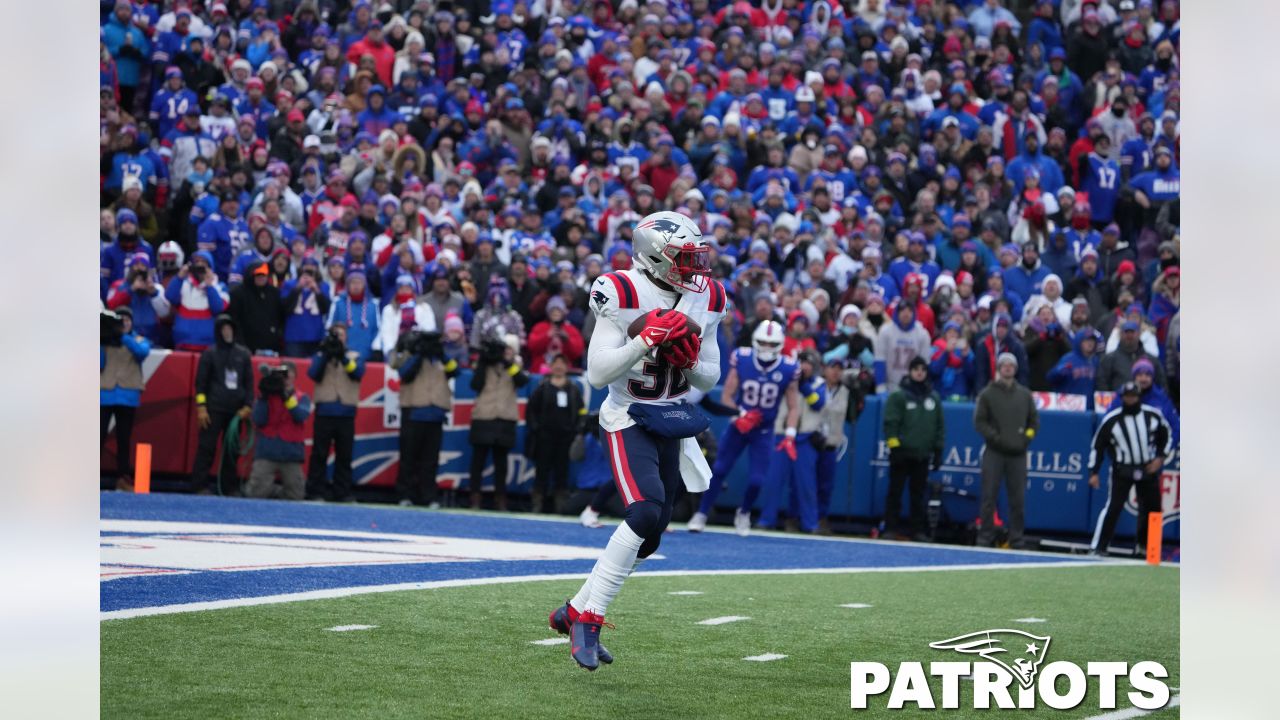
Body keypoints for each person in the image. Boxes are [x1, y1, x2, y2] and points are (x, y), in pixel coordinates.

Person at [550, 211, 725, 672]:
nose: (695, 268)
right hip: (627, 415)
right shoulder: (622, 290)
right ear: (655, 257)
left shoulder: (706, 297)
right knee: (644, 511)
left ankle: (570, 612)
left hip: (669, 416)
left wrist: (686, 362)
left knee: (648, 539)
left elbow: (712, 371)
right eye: (684, 258)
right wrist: (645, 340)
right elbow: (597, 373)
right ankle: (589, 619)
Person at [688, 319, 801, 535]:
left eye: (771, 343)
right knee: (719, 469)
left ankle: (745, 512)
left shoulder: (788, 367)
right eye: (763, 342)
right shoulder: (743, 358)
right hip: (740, 426)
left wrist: (790, 433)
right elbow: (728, 395)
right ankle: (701, 513)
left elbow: (794, 406)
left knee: (758, 479)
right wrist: (739, 415)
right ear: (755, 341)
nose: (766, 347)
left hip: (764, 430)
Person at [1088, 382, 1173, 556]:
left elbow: (1167, 435)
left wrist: (1160, 458)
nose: (1130, 399)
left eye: (1133, 395)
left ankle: (1150, 549)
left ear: (1139, 396)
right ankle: (1099, 547)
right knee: (1113, 507)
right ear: (1122, 397)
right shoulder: (1112, 419)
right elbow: (1098, 445)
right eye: (1127, 396)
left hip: (1147, 468)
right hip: (1122, 469)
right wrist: (1094, 471)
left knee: (1153, 509)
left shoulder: (1152, 415)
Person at [757, 350, 828, 533]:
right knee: (773, 480)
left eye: (808, 363)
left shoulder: (819, 383)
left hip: (805, 438)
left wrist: (803, 385)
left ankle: (810, 524)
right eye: (802, 362)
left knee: (806, 485)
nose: (805, 366)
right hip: (782, 434)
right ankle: (767, 520)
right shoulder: (785, 379)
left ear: (814, 366)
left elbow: (817, 403)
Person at [973, 352, 1039, 549]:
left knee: (1018, 499)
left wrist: (1025, 438)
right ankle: (985, 537)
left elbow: (1033, 422)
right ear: (999, 368)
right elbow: (980, 422)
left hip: (1017, 454)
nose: (1008, 368)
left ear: (1016, 369)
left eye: (1011, 365)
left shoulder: (1025, 395)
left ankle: (1016, 538)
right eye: (1004, 365)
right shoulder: (988, 394)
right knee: (988, 497)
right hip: (994, 452)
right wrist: (995, 438)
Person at [392, 326, 457, 508]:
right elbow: (404, 373)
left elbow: (455, 371)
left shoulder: (441, 358)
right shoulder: (409, 354)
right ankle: (405, 494)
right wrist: (419, 354)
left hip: (435, 414)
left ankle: (428, 496)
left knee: (430, 460)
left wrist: (441, 354)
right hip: (413, 412)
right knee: (408, 458)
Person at [882, 357, 945, 542]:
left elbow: (939, 426)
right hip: (902, 453)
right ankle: (890, 528)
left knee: (918, 495)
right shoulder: (899, 396)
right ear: (910, 371)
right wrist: (895, 448)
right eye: (916, 369)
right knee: (895, 492)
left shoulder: (933, 398)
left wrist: (938, 451)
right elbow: (890, 424)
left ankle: (917, 530)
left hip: (922, 454)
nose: (919, 372)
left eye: (923, 369)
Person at [191, 314, 254, 495]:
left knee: (232, 451)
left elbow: (249, 383)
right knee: (206, 448)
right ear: (218, 331)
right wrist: (201, 407)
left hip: (236, 411)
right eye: (224, 329)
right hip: (213, 409)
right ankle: (199, 485)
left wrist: (248, 405)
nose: (227, 332)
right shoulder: (209, 354)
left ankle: (229, 487)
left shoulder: (243, 354)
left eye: (230, 328)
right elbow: (200, 383)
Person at [468, 332, 530, 510]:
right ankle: (475, 497)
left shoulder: (515, 365)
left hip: (505, 417)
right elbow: (475, 385)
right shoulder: (484, 363)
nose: (506, 352)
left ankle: (500, 498)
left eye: (509, 349)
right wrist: (483, 361)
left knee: (501, 462)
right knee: (477, 460)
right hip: (483, 415)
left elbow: (522, 381)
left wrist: (507, 363)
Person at [306, 325, 365, 502]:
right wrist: (326, 354)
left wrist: (342, 357)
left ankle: (342, 492)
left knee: (344, 455)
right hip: (325, 411)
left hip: (346, 412)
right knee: (319, 453)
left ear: (346, 337)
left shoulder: (354, 355)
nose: (338, 338)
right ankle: (315, 491)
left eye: (341, 335)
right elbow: (313, 373)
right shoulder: (320, 355)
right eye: (335, 335)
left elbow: (358, 373)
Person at [526, 354, 586, 513]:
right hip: (544, 437)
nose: (559, 367)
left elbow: (581, 411)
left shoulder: (573, 389)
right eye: (556, 363)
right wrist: (536, 428)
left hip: (566, 438)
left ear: (567, 367)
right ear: (551, 367)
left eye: (562, 363)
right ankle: (537, 504)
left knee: (562, 471)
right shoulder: (542, 387)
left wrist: (578, 428)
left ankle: (561, 507)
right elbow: (531, 410)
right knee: (542, 470)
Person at [100, 308, 151, 491]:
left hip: (128, 395)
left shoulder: (137, 339)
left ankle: (122, 478)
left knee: (123, 439)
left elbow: (142, 352)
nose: (124, 323)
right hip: (105, 393)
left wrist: (122, 336)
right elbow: (98, 364)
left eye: (127, 320)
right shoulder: (104, 340)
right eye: (120, 320)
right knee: (97, 437)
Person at [246, 362, 312, 500]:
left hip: (291, 452)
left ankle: (274, 491)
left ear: (295, 377)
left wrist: (286, 397)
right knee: (255, 493)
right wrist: (263, 397)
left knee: (296, 496)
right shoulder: (267, 396)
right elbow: (258, 420)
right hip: (267, 449)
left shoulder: (302, 397)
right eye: (282, 375)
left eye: (288, 374)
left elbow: (300, 416)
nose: (286, 378)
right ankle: (269, 490)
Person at [228, 261, 285, 354]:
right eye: (258, 274)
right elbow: (234, 320)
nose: (261, 277)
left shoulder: (275, 293)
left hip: (271, 348)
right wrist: (241, 345)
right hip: (245, 348)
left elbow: (280, 318)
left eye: (264, 274)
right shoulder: (237, 294)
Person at [875, 302, 932, 391]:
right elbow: (880, 359)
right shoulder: (885, 331)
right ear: (896, 313)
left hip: (913, 385)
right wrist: (880, 385)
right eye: (902, 310)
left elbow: (925, 363)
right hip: (890, 383)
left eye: (909, 311)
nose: (906, 313)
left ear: (914, 313)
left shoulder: (922, 334)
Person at [1097, 319, 1166, 390]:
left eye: (1132, 332)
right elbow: (1102, 386)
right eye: (1126, 332)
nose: (1129, 335)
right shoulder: (1109, 359)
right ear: (1120, 334)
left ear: (1139, 334)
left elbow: (1162, 385)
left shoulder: (1151, 360)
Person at [1047, 328, 1104, 403]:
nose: (1090, 343)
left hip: (1089, 405)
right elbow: (1050, 378)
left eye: (1092, 340)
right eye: (1086, 340)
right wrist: (1058, 372)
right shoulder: (1068, 359)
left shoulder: (1095, 360)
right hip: (1071, 404)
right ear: (1079, 342)